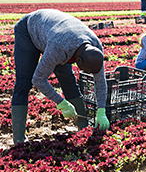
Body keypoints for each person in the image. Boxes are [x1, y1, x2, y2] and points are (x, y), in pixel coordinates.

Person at [12, 9, 110, 145]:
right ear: (79, 60)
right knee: (24, 83)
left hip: (55, 33)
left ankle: (83, 127)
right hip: (29, 31)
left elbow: (100, 81)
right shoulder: (58, 49)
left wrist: (101, 110)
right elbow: (38, 79)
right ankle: (19, 140)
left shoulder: (95, 47)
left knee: (68, 80)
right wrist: (61, 102)